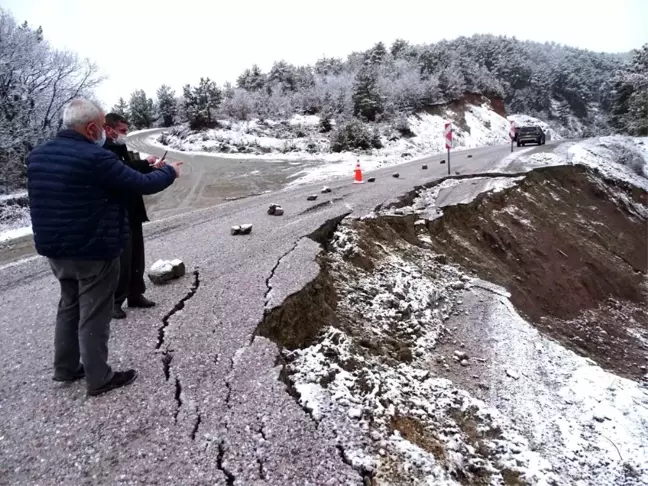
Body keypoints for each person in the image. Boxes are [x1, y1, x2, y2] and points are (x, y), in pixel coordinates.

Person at [27, 99, 183, 396]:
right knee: (94, 314)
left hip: (56, 250)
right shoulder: (94, 157)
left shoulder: (38, 156)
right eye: (101, 126)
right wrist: (171, 172)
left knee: (68, 306)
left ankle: (66, 368)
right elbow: (140, 183)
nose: (104, 133)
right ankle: (99, 377)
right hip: (93, 249)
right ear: (90, 128)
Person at [103, 113, 165, 319]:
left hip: (133, 210)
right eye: (122, 130)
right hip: (117, 213)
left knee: (137, 255)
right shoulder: (102, 151)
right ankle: (114, 301)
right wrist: (145, 164)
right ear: (108, 129)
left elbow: (132, 177)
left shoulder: (120, 148)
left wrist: (149, 169)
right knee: (122, 259)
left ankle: (135, 294)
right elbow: (121, 172)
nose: (125, 134)